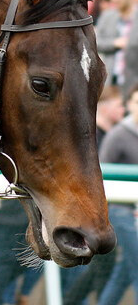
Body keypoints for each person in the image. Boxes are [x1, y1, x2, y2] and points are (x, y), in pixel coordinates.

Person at [62, 85, 124, 305]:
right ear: (105, 107)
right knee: (96, 268)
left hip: (100, 210)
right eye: (120, 105)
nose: (124, 109)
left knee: (100, 268)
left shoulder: (108, 133)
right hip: (88, 209)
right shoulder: (89, 134)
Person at [95, 84, 138, 305]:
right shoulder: (118, 134)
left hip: (134, 212)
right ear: (130, 105)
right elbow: (101, 174)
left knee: (121, 276)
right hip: (120, 212)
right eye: (135, 102)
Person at [96, 0, 138, 94]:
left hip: (134, 85)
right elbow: (95, 42)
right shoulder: (107, 16)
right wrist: (115, 43)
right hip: (111, 83)